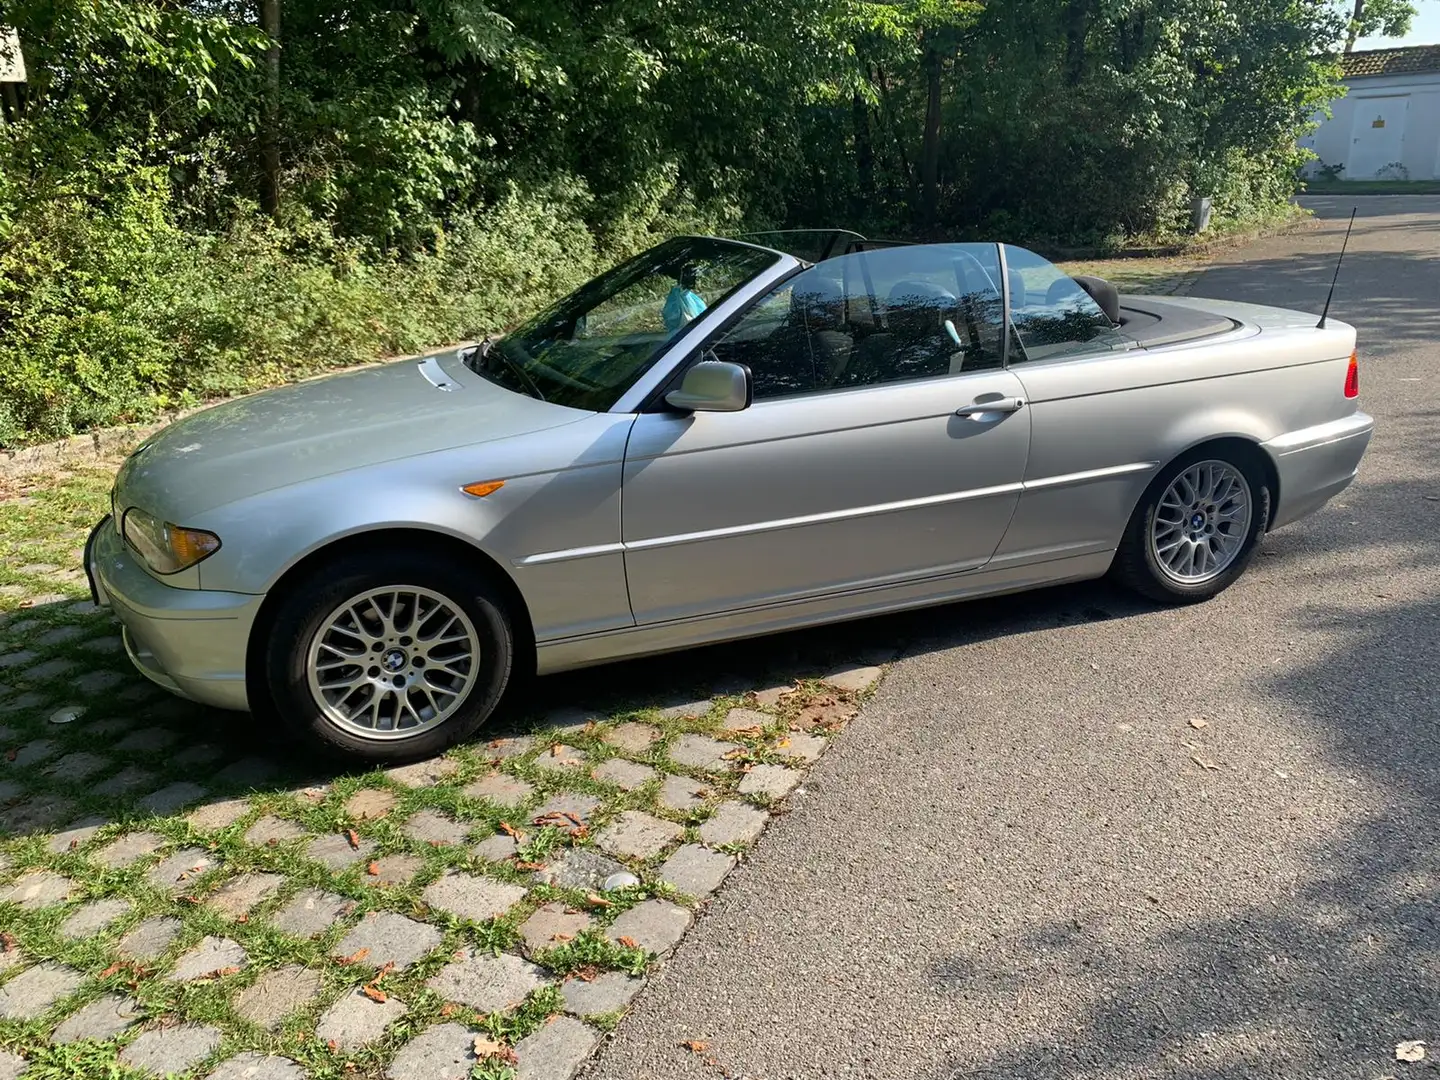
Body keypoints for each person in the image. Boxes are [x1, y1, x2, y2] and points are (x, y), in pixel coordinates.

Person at [662, 265, 707, 333]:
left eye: (694, 277)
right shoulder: (677, 298)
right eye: (691, 276)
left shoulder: (686, 296)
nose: (695, 280)